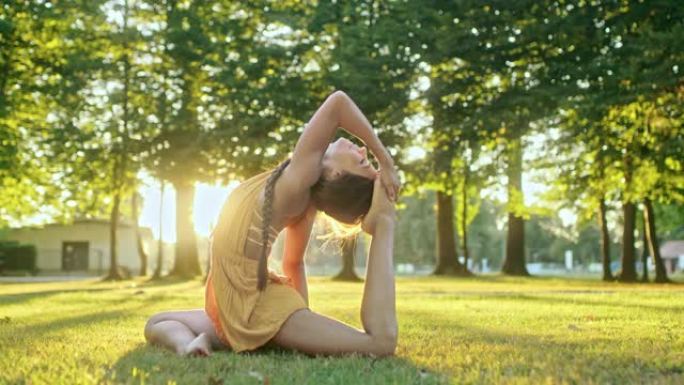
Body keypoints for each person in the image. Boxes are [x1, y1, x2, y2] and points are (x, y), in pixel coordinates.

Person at [144, 90, 401, 357]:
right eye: (365, 156)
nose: (361, 148)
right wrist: (304, 322)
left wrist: (385, 160)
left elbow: (337, 104)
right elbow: (293, 263)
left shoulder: (301, 177)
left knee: (379, 345)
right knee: (157, 322)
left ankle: (383, 224)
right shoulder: (303, 195)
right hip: (238, 303)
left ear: (336, 174)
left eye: (361, 160)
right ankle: (189, 345)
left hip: (260, 306)